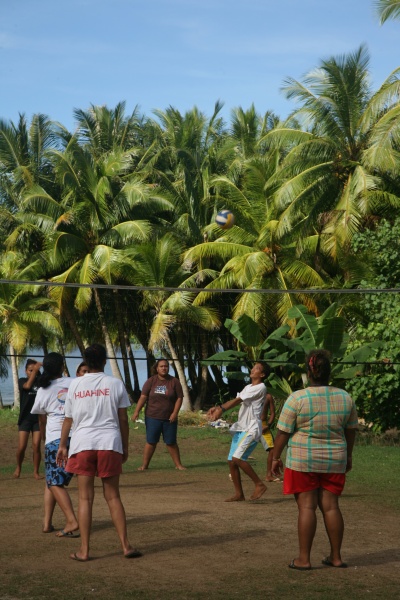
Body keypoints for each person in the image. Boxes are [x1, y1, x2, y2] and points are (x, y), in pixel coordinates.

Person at [271, 349, 358, 571]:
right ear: (329, 373)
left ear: (309, 373)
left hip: (302, 460)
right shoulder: (344, 397)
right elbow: (351, 430)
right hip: (334, 459)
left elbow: (283, 433)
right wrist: (348, 455)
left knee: (306, 508)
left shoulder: (297, 398)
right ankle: (336, 557)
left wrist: (274, 457)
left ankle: (303, 559)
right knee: (331, 507)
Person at [56, 343, 141, 562]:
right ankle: (125, 546)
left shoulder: (75, 385)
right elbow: (123, 419)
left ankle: (84, 550)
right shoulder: (115, 383)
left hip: (82, 444)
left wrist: (62, 445)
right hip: (109, 442)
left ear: (85, 361)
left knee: (85, 498)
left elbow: (68, 419)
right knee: (113, 496)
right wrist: (124, 445)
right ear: (105, 361)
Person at [31, 352, 79, 536]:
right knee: (50, 480)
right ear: (62, 366)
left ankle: (72, 520)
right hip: (76, 436)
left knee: (54, 482)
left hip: (55, 439)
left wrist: (44, 437)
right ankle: (46, 523)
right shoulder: (73, 383)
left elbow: (41, 417)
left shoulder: (43, 389)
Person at [207, 362, 268, 502]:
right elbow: (237, 400)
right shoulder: (248, 387)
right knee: (231, 461)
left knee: (238, 459)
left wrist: (220, 410)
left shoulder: (260, 387)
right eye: (253, 367)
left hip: (251, 428)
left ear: (262, 374)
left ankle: (259, 484)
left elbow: (237, 400)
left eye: (257, 368)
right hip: (241, 427)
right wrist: (218, 407)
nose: (252, 369)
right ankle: (239, 494)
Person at [131, 358, 186, 471]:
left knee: (171, 442)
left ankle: (178, 465)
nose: (164, 368)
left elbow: (179, 398)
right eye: (161, 366)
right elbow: (143, 397)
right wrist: (136, 411)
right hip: (152, 417)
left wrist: (175, 413)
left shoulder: (174, 381)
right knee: (151, 441)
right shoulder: (151, 381)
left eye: (166, 366)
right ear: (157, 368)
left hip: (169, 418)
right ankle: (144, 466)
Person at [14, 358, 43, 479]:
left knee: (36, 445)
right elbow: (27, 386)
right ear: (26, 371)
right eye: (30, 370)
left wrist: (39, 372)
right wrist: (35, 371)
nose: (33, 372)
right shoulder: (22, 381)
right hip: (25, 419)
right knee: (22, 447)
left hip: (38, 419)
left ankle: (36, 472)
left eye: (34, 370)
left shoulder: (41, 382)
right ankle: (19, 467)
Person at [260, 392, 281, 482]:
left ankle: (269, 475)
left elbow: (273, 413)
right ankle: (233, 472)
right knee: (242, 449)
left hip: (263, 425)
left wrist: (268, 425)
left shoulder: (268, 396)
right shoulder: (250, 393)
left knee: (272, 449)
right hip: (250, 425)